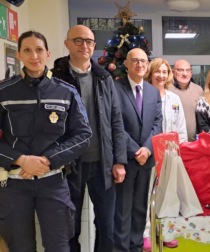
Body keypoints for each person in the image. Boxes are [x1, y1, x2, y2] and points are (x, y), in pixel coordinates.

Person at [0, 30, 92, 252]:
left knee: (59, 246)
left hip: (53, 183)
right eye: (27, 50)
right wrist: (21, 160)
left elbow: (83, 135)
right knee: (20, 247)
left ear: (48, 54)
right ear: (19, 55)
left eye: (39, 50)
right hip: (14, 185)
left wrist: (47, 160)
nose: (34, 56)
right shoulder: (4, 92)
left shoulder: (65, 92)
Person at [51, 25, 127, 252]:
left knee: (107, 227)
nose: (85, 46)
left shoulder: (104, 78)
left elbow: (116, 121)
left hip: (103, 164)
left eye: (90, 42)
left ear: (94, 46)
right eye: (79, 41)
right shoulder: (55, 79)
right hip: (69, 165)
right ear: (67, 44)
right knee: (70, 226)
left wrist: (119, 160)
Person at [113, 48, 162, 252]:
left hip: (146, 161)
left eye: (143, 61)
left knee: (140, 208)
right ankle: (122, 248)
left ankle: (136, 246)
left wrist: (147, 150)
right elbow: (114, 124)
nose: (140, 64)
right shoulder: (115, 88)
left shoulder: (152, 91)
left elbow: (158, 124)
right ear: (126, 63)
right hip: (125, 160)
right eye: (135, 60)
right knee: (122, 210)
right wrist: (136, 150)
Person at [142, 57, 185, 251]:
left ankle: (168, 231)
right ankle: (145, 233)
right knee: (145, 194)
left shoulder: (174, 98)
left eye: (164, 72)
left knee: (169, 194)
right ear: (151, 73)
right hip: (149, 152)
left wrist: (180, 150)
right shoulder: (143, 95)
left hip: (170, 152)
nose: (161, 75)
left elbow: (180, 128)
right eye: (157, 71)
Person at [168, 59, 203, 141]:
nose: (184, 74)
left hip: (194, 143)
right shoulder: (167, 90)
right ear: (173, 72)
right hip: (172, 143)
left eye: (187, 70)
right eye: (180, 70)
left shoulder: (198, 90)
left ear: (191, 73)